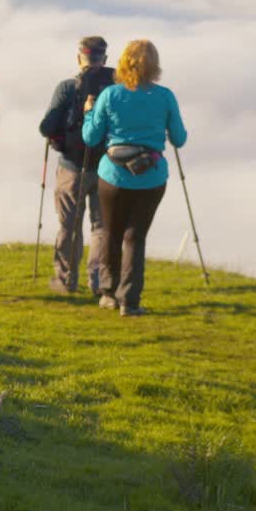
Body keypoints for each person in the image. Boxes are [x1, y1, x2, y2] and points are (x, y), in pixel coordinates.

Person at [81, 40, 187, 316]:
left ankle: (107, 293)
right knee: (135, 237)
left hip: (112, 176)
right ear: (154, 65)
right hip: (151, 178)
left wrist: (89, 113)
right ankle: (130, 301)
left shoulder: (111, 95)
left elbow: (90, 137)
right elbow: (179, 138)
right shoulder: (165, 96)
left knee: (111, 233)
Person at [38, 36, 115, 298]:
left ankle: (66, 280)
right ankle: (98, 281)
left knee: (69, 225)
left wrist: (57, 139)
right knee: (101, 226)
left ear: (79, 58)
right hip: (108, 167)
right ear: (104, 59)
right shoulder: (116, 89)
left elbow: (46, 127)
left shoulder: (67, 87)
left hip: (71, 167)